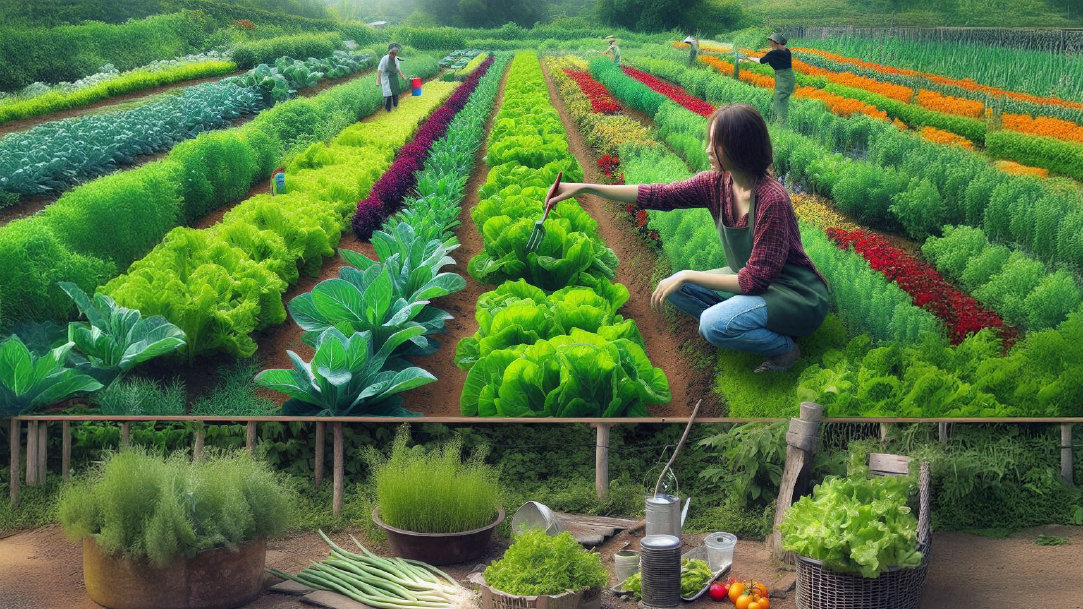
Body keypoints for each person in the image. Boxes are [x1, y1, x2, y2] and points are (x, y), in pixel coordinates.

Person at [546, 104, 829, 372]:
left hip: (794, 293)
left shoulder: (771, 199)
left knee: (711, 324)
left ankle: (783, 348)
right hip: (755, 281)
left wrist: (687, 274)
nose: (708, 149)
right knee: (674, 288)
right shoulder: (717, 183)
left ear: (739, 147)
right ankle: (747, 322)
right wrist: (585, 188)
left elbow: (754, 281)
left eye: (715, 143)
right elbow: (659, 194)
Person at [741, 33, 794, 123]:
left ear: (775, 42)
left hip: (782, 78)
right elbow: (775, 58)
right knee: (782, 99)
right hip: (789, 77)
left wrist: (747, 57)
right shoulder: (787, 51)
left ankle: (781, 122)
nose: (770, 44)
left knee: (779, 100)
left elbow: (761, 61)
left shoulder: (773, 53)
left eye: (771, 42)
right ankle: (779, 119)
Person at [377, 43, 408, 112]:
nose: (395, 53)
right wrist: (378, 80)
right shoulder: (384, 59)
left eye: (396, 51)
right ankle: (388, 110)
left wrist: (403, 77)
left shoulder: (396, 59)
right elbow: (379, 70)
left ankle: (396, 107)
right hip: (386, 79)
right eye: (393, 51)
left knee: (395, 93)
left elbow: (398, 69)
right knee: (387, 95)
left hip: (394, 78)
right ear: (389, 51)